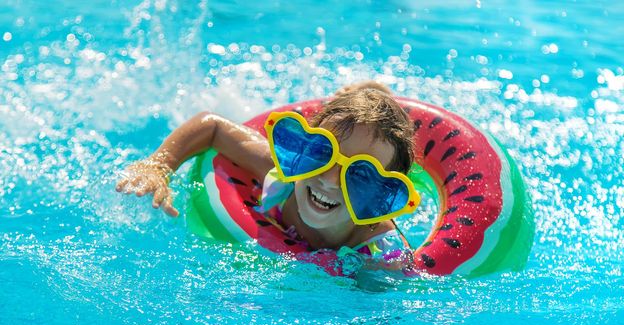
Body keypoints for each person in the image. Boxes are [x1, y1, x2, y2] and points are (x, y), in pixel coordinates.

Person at [116, 81, 417, 273]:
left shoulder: (381, 253)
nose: (329, 179)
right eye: (324, 152)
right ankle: (371, 97)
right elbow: (212, 127)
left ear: (384, 195)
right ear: (303, 148)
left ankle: (378, 96)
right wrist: (158, 165)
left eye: (360, 175)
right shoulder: (288, 171)